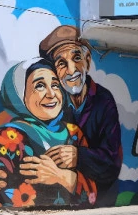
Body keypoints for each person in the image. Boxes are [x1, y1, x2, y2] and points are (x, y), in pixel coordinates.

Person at [0, 59, 97, 208]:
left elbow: (92, 195)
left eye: (55, 85)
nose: (51, 94)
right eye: (40, 86)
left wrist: (60, 176)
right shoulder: (10, 136)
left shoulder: (73, 133)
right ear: (20, 95)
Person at [37, 25, 124, 204]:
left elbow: (112, 161)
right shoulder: (50, 102)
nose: (71, 70)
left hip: (100, 198)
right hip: (59, 197)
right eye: (61, 63)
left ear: (87, 61)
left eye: (76, 58)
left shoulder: (103, 100)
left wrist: (78, 156)